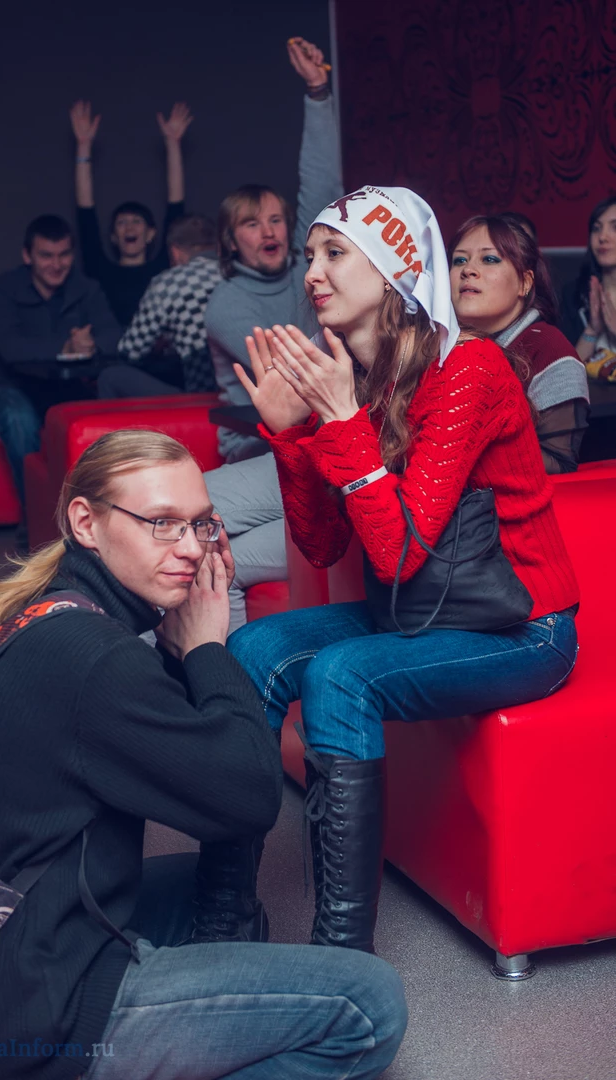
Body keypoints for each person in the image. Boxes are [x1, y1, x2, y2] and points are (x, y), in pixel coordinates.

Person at [0, 429, 407, 1080]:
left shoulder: (49, 612)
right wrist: (206, 649)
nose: (190, 548)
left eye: (200, 524)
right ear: (85, 522)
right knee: (368, 1001)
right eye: (161, 523)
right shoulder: (94, 659)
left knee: (216, 895)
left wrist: (183, 654)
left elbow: (178, 755)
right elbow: (249, 798)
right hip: (37, 1022)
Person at [225, 186, 580, 956]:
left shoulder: (470, 369)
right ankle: (223, 913)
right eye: (309, 254)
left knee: (340, 674)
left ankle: (341, 957)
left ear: (394, 271)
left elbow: (398, 551)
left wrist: (339, 422)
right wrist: (291, 436)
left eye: (333, 253)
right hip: (416, 612)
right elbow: (322, 546)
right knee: (251, 649)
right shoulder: (360, 379)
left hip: (521, 630)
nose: (310, 272)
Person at [204, 35, 343, 631]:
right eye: (252, 223)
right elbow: (290, 368)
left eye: (278, 219)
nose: (269, 231)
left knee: (210, 549)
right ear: (230, 240)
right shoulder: (225, 304)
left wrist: (318, 94)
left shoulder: (314, 274)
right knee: (193, 542)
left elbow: (323, 190)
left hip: (317, 451)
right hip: (263, 450)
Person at [0, 214, 121, 508]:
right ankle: (37, 521)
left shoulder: (86, 288)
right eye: (46, 255)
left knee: (106, 415)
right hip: (12, 388)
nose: (56, 264)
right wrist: (65, 346)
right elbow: (11, 348)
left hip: (67, 388)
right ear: (27, 256)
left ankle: (98, 516)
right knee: (18, 418)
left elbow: (114, 335)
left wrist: (91, 344)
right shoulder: (3, 289)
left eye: (64, 254)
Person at [449, 213, 590, 473]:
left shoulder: (550, 352)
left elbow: (559, 463)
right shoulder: (439, 347)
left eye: (489, 259)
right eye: (459, 260)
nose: (468, 270)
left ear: (524, 283)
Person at [69, 99, 189, 328]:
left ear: (151, 233)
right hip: (112, 350)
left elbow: (176, 206)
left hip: (159, 350)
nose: (130, 227)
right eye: (122, 223)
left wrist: (173, 144)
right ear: (114, 237)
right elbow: (85, 212)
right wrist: (83, 145)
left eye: (136, 221)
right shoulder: (99, 271)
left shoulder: (163, 268)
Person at [98, 214, 221, 398]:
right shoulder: (238, 273)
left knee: (110, 377)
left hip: (202, 398)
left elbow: (130, 352)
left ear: (175, 252)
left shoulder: (169, 282)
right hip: (247, 396)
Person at [561, 196, 616, 377]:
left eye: (615, 227)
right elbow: (565, 375)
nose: (602, 237)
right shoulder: (574, 294)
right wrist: (592, 330)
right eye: (596, 228)